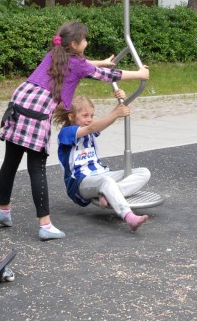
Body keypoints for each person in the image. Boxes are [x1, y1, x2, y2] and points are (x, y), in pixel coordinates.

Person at [0, 20, 150, 241]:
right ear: (75, 44)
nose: (87, 42)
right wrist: (140, 74)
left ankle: (3, 210)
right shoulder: (77, 63)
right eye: (84, 39)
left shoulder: (55, 54)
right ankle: (45, 225)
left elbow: (84, 65)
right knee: (36, 168)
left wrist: (102, 62)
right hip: (37, 109)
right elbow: (105, 76)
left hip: (20, 100)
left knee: (10, 162)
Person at [55, 94, 151, 231]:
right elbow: (92, 128)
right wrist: (117, 113)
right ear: (71, 116)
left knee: (143, 172)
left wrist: (122, 102)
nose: (89, 120)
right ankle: (129, 216)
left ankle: (107, 194)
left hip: (102, 174)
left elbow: (104, 122)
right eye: (85, 116)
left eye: (92, 116)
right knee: (107, 182)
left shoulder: (90, 128)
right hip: (80, 182)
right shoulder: (66, 132)